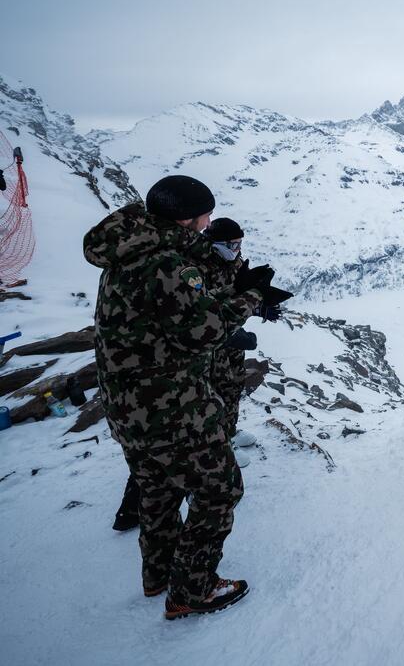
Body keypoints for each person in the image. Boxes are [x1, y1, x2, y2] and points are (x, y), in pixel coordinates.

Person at [84, 175, 274, 620]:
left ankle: (158, 576)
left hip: (129, 406)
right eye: (205, 214)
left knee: (158, 492)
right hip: (171, 406)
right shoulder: (167, 265)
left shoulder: (130, 253)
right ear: (188, 218)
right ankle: (193, 589)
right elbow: (204, 332)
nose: (209, 222)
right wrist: (249, 297)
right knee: (220, 490)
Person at [203, 217, 284, 465]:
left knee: (233, 384)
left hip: (231, 339)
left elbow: (236, 295)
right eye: (234, 244)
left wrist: (260, 308)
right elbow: (207, 313)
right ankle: (217, 446)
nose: (238, 249)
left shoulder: (232, 260)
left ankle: (228, 432)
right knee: (213, 391)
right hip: (211, 344)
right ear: (217, 243)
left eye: (240, 244)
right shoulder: (198, 267)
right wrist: (236, 334)